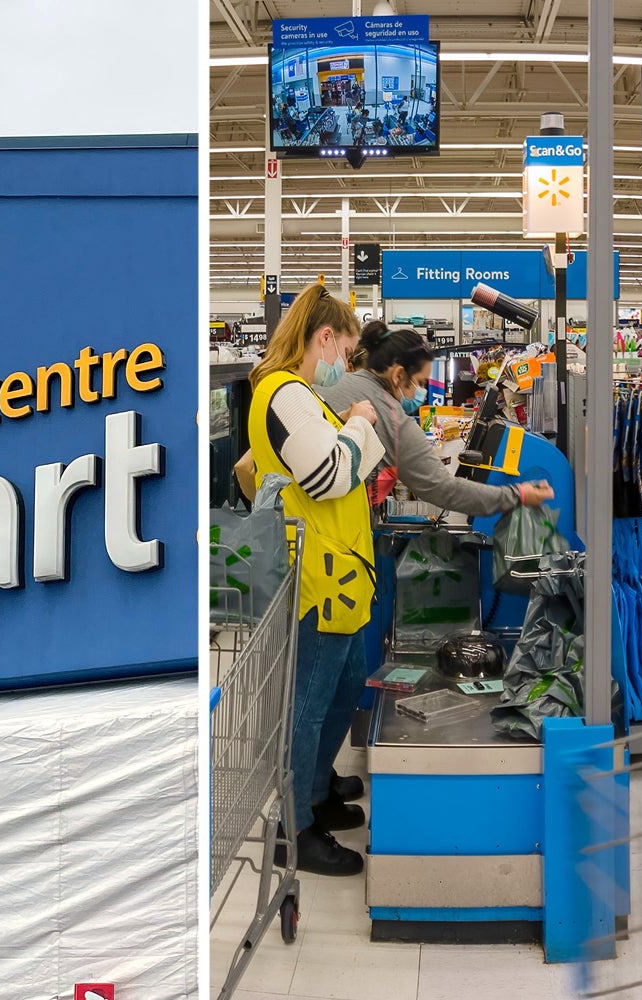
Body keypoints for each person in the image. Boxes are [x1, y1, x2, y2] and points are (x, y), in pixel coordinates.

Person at [245, 282, 385, 877]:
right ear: (324, 337)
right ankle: (293, 829)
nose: (345, 366)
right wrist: (355, 422)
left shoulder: (298, 394)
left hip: (340, 571)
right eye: (346, 352)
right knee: (309, 700)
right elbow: (330, 476)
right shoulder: (284, 394)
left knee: (345, 678)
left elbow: (258, 470)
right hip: (317, 577)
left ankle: (317, 790)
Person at [322, 324, 556, 516]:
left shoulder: (334, 384)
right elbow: (444, 489)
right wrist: (519, 494)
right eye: (421, 383)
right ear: (398, 375)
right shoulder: (392, 416)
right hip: (342, 533)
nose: (421, 393)